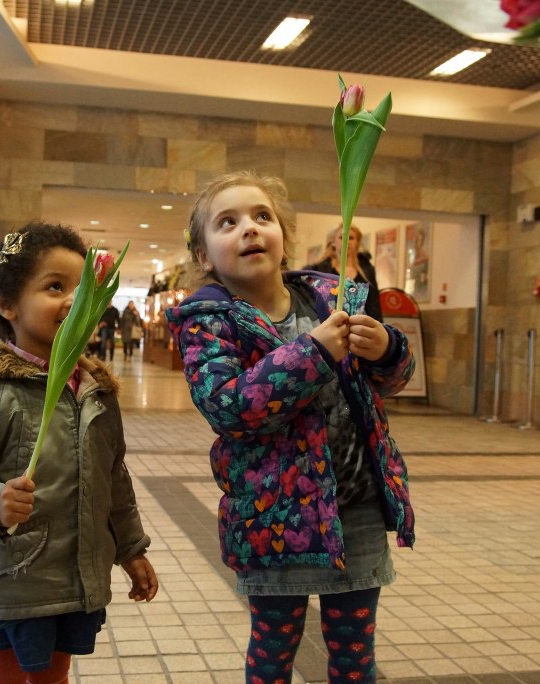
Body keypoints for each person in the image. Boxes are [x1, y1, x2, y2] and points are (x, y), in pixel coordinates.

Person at [164, 172, 415, 684]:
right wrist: (316, 351)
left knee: (354, 653)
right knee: (274, 650)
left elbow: (389, 384)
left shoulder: (334, 299)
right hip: (273, 517)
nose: (249, 229)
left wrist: (386, 350)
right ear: (205, 254)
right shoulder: (209, 322)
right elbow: (229, 407)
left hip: (356, 509)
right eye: (227, 222)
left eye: (262, 216)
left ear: (285, 237)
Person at [0, 221, 158, 684]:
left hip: (70, 579)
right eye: (55, 287)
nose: (74, 300)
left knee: (54, 674)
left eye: (85, 288)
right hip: (9, 578)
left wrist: (130, 549)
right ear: (7, 303)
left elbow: (114, 479)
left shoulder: (94, 391)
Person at [306, 223, 383, 322]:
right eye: (342, 237)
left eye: (351, 238)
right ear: (333, 242)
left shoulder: (367, 271)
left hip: (360, 328)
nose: (347, 241)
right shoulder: (320, 269)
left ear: (357, 243)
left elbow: (374, 305)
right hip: (328, 325)